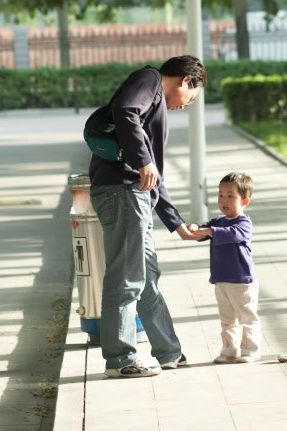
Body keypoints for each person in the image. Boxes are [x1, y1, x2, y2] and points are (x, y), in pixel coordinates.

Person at [89, 55, 207, 378]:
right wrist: (143, 160)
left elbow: (155, 175)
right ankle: (120, 359)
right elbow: (125, 110)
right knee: (127, 277)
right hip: (122, 190)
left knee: (147, 277)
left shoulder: (155, 101)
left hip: (133, 193)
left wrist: (177, 223)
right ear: (186, 80)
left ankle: (169, 352)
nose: (186, 106)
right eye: (191, 98)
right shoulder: (149, 79)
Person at [188, 172, 261, 363]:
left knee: (247, 317)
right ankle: (229, 349)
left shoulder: (244, 223)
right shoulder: (218, 221)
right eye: (221, 195)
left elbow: (232, 234)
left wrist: (209, 231)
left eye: (230, 196)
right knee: (227, 319)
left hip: (242, 281)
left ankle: (250, 350)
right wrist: (196, 228)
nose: (224, 200)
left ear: (244, 202)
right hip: (221, 280)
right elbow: (205, 230)